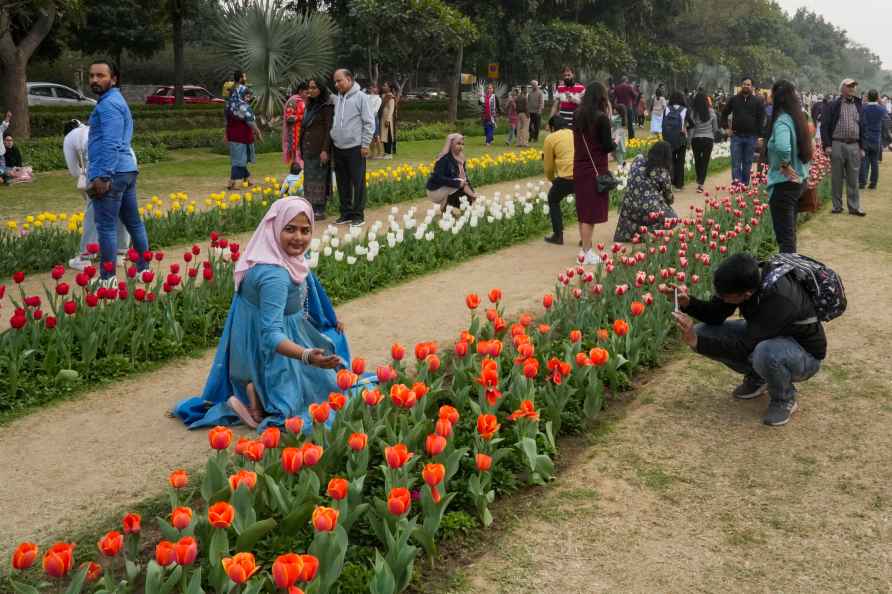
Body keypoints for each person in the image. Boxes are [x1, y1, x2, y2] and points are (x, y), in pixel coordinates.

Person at [174, 197, 350, 430]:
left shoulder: (272, 255)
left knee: (333, 336)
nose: (298, 237)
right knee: (315, 399)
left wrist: (329, 317)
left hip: (250, 340)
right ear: (275, 227)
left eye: (305, 230)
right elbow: (271, 336)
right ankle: (258, 398)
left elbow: (311, 288)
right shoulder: (274, 275)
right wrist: (308, 356)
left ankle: (252, 388)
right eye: (290, 229)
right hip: (273, 345)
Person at [664, 252, 826, 426]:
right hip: (765, 335)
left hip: (803, 354)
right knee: (703, 332)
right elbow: (716, 315)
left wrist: (696, 342)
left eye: (725, 296)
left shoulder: (779, 299)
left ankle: (784, 398)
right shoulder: (743, 279)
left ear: (747, 294)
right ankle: (759, 377)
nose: (721, 297)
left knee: (764, 352)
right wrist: (688, 303)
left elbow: (744, 348)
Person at [85, 60, 150, 283]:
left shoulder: (107, 105)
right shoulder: (115, 100)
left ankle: (108, 279)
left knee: (106, 227)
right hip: (126, 169)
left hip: (112, 173)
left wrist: (103, 176)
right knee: (133, 223)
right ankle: (144, 270)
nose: (94, 80)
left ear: (113, 79)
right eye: (92, 75)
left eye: (100, 75)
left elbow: (111, 142)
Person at [62, 120, 129, 270]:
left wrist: (84, 175)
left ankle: (86, 257)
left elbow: (74, 170)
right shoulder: (92, 129)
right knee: (120, 208)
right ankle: (120, 254)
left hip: (100, 167)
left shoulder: (70, 137)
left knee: (93, 212)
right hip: (126, 163)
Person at [766, 80, 813, 254]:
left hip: (784, 184)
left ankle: (789, 274)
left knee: (785, 238)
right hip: (798, 182)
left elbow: (783, 146)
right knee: (790, 233)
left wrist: (785, 163)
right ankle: (791, 267)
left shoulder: (782, 121)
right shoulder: (798, 119)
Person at [573, 81, 616, 265]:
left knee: (583, 209)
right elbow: (606, 146)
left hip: (580, 165)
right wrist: (615, 142)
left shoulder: (578, 115)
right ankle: (586, 251)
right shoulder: (601, 118)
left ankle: (585, 248)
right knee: (590, 212)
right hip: (596, 167)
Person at [331, 68, 375, 227]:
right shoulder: (339, 99)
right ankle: (346, 213)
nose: (336, 84)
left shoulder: (362, 97)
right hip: (338, 147)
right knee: (343, 183)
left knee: (358, 182)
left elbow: (369, 122)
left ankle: (358, 215)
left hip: (356, 148)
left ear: (349, 79)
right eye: (335, 82)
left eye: (339, 81)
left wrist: (365, 144)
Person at [613, 141, 677, 242]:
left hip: (628, 208)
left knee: (641, 206)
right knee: (673, 218)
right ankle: (644, 231)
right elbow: (669, 198)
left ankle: (631, 229)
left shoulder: (637, 159)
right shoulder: (662, 171)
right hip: (648, 210)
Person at [820, 79, 866, 216]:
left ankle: (854, 207)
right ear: (842, 88)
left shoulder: (859, 105)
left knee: (853, 178)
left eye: (854, 86)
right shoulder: (833, 105)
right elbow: (825, 126)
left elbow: (863, 127)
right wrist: (827, 145)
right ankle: (837, 206)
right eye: (849, 86)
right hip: (837, 143)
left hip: (854, 145)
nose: (852, 88)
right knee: (837, 177)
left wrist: (862, 147)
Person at [721, 77, 766, 187]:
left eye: (748, 84)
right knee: (736, 162)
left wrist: (760, 136)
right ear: (741, 85)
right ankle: (737, 185)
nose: (746, 86)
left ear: (752, 87)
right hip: (736, 136)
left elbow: (761, 119)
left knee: (747, 162)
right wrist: (726, 128)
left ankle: (744, 185)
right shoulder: (734, 99)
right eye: (744, 84)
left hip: (751, 137)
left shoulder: (757, 101)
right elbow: (724, 113)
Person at [300, 77, 334, 220]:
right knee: (309, 178)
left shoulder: (326, 106)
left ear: (321, 89)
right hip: (308, 148)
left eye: (314, 88)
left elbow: (329, 129)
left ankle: (319, 209)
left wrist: (325, 149)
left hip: (320, 149)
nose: (311, 90)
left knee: (320, 178)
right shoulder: (310, 106)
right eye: (309, 88)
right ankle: (310, 208)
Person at [225, 73, 263, 190]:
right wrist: (258, 133)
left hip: (236, 136)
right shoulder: (243, 106)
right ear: (241, 94)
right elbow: (250, 121)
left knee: (242, 158)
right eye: (246, 95)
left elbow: (226, 121)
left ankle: (247, 178)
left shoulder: (229, 105)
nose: (248, 97)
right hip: (240, 137)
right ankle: (233, 182)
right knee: (239, 160)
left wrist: (226, 134)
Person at [542, 115, 574, 245]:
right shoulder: (574, 133)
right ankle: (585, 238)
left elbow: (549, 167)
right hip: (583, 175)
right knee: (582, 205)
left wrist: (552, 179)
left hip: (566, 176)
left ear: (552, 127)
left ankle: (558, 235)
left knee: (553, 199)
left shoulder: (551, 138)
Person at [426, 133, 477, 212]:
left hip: (448, 187)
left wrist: (472, 193)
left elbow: (464, 178)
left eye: (463, 144)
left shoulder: (461, 158)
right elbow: (437, 178)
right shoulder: (444, 159)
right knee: (459, 182)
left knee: (468, 200)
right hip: (435, 190)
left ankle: (446, 204)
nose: (461, 146)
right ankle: (444, 204)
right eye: (458, 144)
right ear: (451, 144)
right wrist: (457, 183)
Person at [859, 89, 890, 190]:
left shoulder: (863, 108)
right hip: (876, 137)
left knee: (864, 161)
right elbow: (886, 115)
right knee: (874, 161)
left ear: (867, 96)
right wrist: (880, 102)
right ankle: (873, 183)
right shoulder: (881, 109)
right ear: (877, 97)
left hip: (865, 136)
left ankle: (862, 182)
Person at [689, 91, 719, 193]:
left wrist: (689, 141)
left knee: (698, 160)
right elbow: (715, 128)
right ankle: (701, 183)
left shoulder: (693, 112)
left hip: (696, 139)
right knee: (705, 162)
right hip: (708, 140)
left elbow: (691, 128)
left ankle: (699, 178)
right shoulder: (712, 112)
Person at [663, 91, 692, 190]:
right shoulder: (685, 110)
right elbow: (691, 124)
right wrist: (685, 127)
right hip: (681, 139)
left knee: (670, 161)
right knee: (680, 161)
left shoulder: (667, 109)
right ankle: (679, 185)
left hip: (668, 139)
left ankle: (671, 182)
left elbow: (663, 123)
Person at [282, 83, 308, 168]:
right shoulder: (293, 101)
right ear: (300, 91)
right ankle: (298, 174)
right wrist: (303, 117)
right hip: (295, 135)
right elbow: (289, 118)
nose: (308, 95)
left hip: (303, 133)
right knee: (297, 156)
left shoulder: (304, 100)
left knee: (302, 155)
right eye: (306, 92)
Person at [380, 82, 397, 158]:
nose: (383, 87)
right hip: (383, 117)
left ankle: (389, 153)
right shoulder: (384, 96)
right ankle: (386, 152)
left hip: (387, 119)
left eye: (385, 86)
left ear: (389, 88)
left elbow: (391, 109)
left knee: (388, 135)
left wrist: (388, 120)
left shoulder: (391, 97)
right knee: (384, 136)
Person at [367, 84, 384, 159]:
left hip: (373, 118)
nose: (371, 88)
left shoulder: (378, 99)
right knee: (371, 137)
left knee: (376, 136)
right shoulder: (367, 97)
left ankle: (380, 153)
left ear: (377, 89)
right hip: (367, 117)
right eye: (371, 87)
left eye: (374, 87)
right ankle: (372, 154)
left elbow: (375, 110)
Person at [610, 100, 627, 167]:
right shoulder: (621, 117)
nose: (614, 110)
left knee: (617, 152)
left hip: (617, 136)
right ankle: (623, 165)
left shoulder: (617, 118)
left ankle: (623, 166)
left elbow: (611, 122)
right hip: (618, 135)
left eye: (615, 109)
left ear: (618, 111)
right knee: (616, 153)